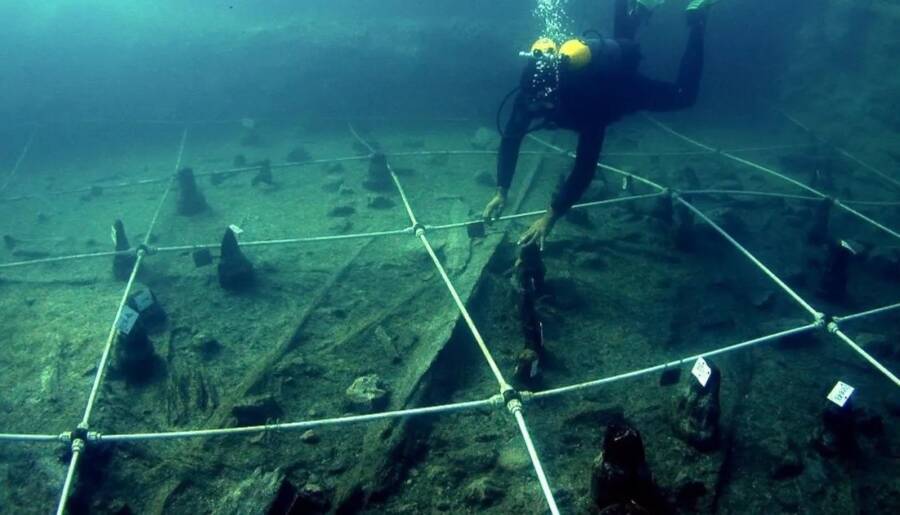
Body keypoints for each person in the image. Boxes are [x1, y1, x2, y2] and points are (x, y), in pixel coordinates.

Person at [483, 0, 719, 250]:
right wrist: (502, 190)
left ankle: (698, 21)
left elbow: (585, 166)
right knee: (623, 41)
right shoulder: (529, 94)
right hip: (605, 79)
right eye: (534, 103)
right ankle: (633, 8)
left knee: (684, 96)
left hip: (623, 93)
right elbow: (511, 139)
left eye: (544, 103)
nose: (537, 109)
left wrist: (551, 215)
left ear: (557, 95)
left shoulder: (584, 102)